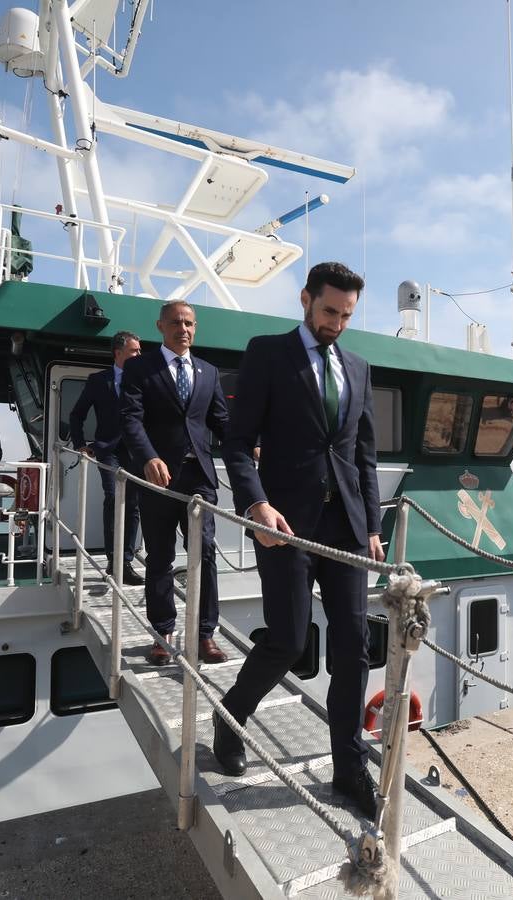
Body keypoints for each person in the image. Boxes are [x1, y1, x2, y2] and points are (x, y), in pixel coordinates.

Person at [212, 262, 383, 818]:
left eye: (347, 315)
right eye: (330, 310)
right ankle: (230, 715)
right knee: (287, 641)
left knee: (354, 646)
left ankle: (349, 767)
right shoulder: (267, 353)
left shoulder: (358, 366)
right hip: (286, 525)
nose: (337, 322)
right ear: (306, 299)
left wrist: (374, 525)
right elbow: (238, 442)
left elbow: (363, 452)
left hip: (349, 530)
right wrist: (256, 503)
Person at [119, 302, 229, 665]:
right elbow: (131, 419)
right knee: (161, 556)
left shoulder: (209, 372)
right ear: (160, 327)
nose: (183, 329)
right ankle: (162, 632)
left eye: (189, 323)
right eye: (176, 323)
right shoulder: (140, 368)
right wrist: (148, 456)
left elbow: (219, 420)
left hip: (199, 474)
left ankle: (204, 634)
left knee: (206, 552)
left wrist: (251, 446)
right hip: (158, 478)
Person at [69, 330, 144, 585]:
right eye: (135, 350)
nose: (139, 354)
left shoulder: (144, 379)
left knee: (133, 504)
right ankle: (114, 562)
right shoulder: (98, 380)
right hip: (108, 450)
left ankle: (126, 562)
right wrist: (80, 444)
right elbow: (77, 414)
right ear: (118, 352)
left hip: (136, 450)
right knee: (114, 498)